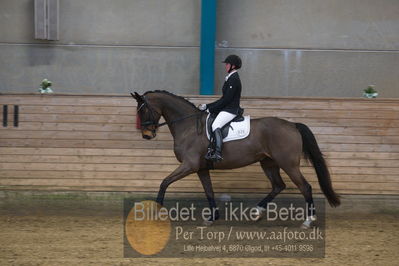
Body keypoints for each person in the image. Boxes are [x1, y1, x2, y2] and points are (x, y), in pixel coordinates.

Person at [198, 54, 243, 162]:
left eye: (227, 64)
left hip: (231, 110)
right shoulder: (230, 78)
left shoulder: (234, 79)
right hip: (226, 108)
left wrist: (211, 109)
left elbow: (226, 100)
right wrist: (207, 106)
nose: (225, 66)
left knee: (215, 125)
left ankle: (217, 153)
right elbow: (223, 98)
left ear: (233, 66)